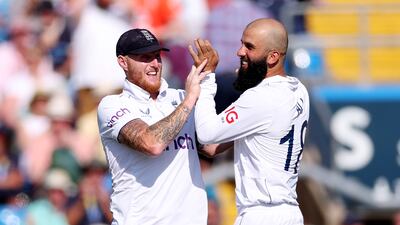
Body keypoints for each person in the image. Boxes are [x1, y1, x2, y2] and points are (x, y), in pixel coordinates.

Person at [97, 28, 227, 225]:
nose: (155, 64)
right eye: (145, 57)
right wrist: (191, 97)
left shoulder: (180, 98)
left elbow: (210, 145)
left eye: (157, 56)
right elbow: (151, 144)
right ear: (123, 62)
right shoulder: (112, 104)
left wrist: (250, 121)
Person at [190, 18, 310, 225]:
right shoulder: (299, 90)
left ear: (273, 57)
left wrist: (208, 78)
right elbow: (212, 148)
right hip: (289, 212)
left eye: (249, 47)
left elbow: (207, 134)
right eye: (242, 43)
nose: (239, 52)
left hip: (262, 214)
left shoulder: (260, 98)